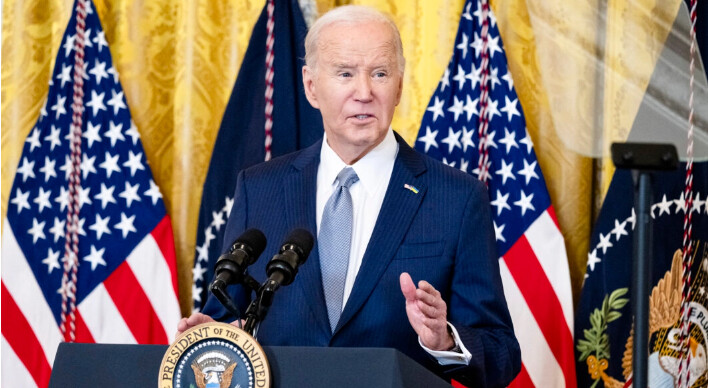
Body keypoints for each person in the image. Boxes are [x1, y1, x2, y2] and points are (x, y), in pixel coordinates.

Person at [179, 5, 520, 387]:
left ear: (399, 86)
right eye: (345, 73)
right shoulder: (259, 189)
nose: (364, 92)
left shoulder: (456, 198)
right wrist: (213, 335)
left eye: (380, 73)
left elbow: (501, 353)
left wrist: (445, 340)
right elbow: (228, 316)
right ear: (311, 86)